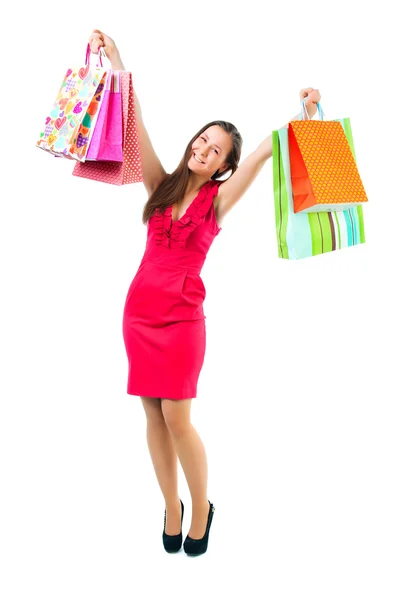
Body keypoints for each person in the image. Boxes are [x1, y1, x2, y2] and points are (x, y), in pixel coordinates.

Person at [88, 29, 321, 556]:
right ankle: (169, 506)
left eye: (215, 150)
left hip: (182, 320)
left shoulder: (215, 202)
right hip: (139, 314)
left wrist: (304, 114)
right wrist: (116, 58)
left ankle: (200, 507)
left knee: (178, 417)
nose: (203, 149)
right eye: (202, 140)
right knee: (151, 414)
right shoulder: (160, 185)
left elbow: (263, 153)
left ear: (222, 166)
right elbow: (135, 122)